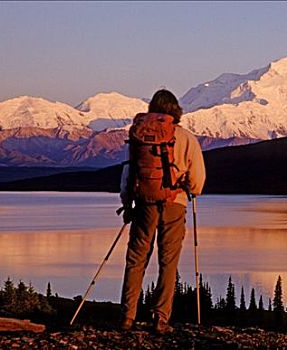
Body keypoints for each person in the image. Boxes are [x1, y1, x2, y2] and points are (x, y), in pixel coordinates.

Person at [118, 89, 205, 333]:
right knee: (168, 261)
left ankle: (127, 316)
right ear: (175, 110)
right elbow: (198, 179)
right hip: (174, 204)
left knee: (136, 258)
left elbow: (129, 173)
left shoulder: (141, 136)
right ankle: (160, 319)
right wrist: (191, 190)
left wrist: (127, 203)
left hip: (144, 203)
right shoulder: (186, 138)